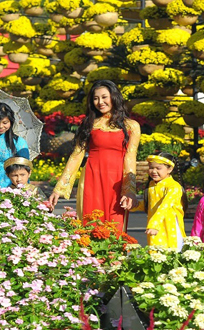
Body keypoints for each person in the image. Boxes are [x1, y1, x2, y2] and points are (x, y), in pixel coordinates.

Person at [49, 80, 141, 230]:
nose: (100, 102)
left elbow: (130, 158)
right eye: (96, 98)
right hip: (92, 180)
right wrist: (58, 189)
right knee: (90, 225)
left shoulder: (131, 126)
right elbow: (76, 156)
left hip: (117, 183)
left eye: (104, 97)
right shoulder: (89, 124)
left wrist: (130, 190)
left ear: (114, 97)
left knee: (115, 228)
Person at [132, 153, 186, 249]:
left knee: (171, 254)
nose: (154, 171)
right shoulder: (152, 185)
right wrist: (132, 205)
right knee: (155, 255)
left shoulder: (174, 187)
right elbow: (149, 204)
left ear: (170, 169)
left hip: (169, 226)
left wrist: (154, 225)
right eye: (151, 168)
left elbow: (165, 206)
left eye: (158, 168)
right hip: (155, 226)